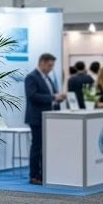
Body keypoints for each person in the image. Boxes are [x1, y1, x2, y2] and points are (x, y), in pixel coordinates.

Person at [24, 53, 66, 185]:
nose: (51, 68)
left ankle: (44, 174)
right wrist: (54, 97)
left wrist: (58, 98)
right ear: (41, 62)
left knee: (46, 147)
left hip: (49, 118)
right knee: (37, 147)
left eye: (52, 66)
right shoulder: (31, 77)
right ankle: (34, 175)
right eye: (49, 65)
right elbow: (33, 96)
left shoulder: (48, 78)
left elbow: (50, 95)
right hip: (37, 118)